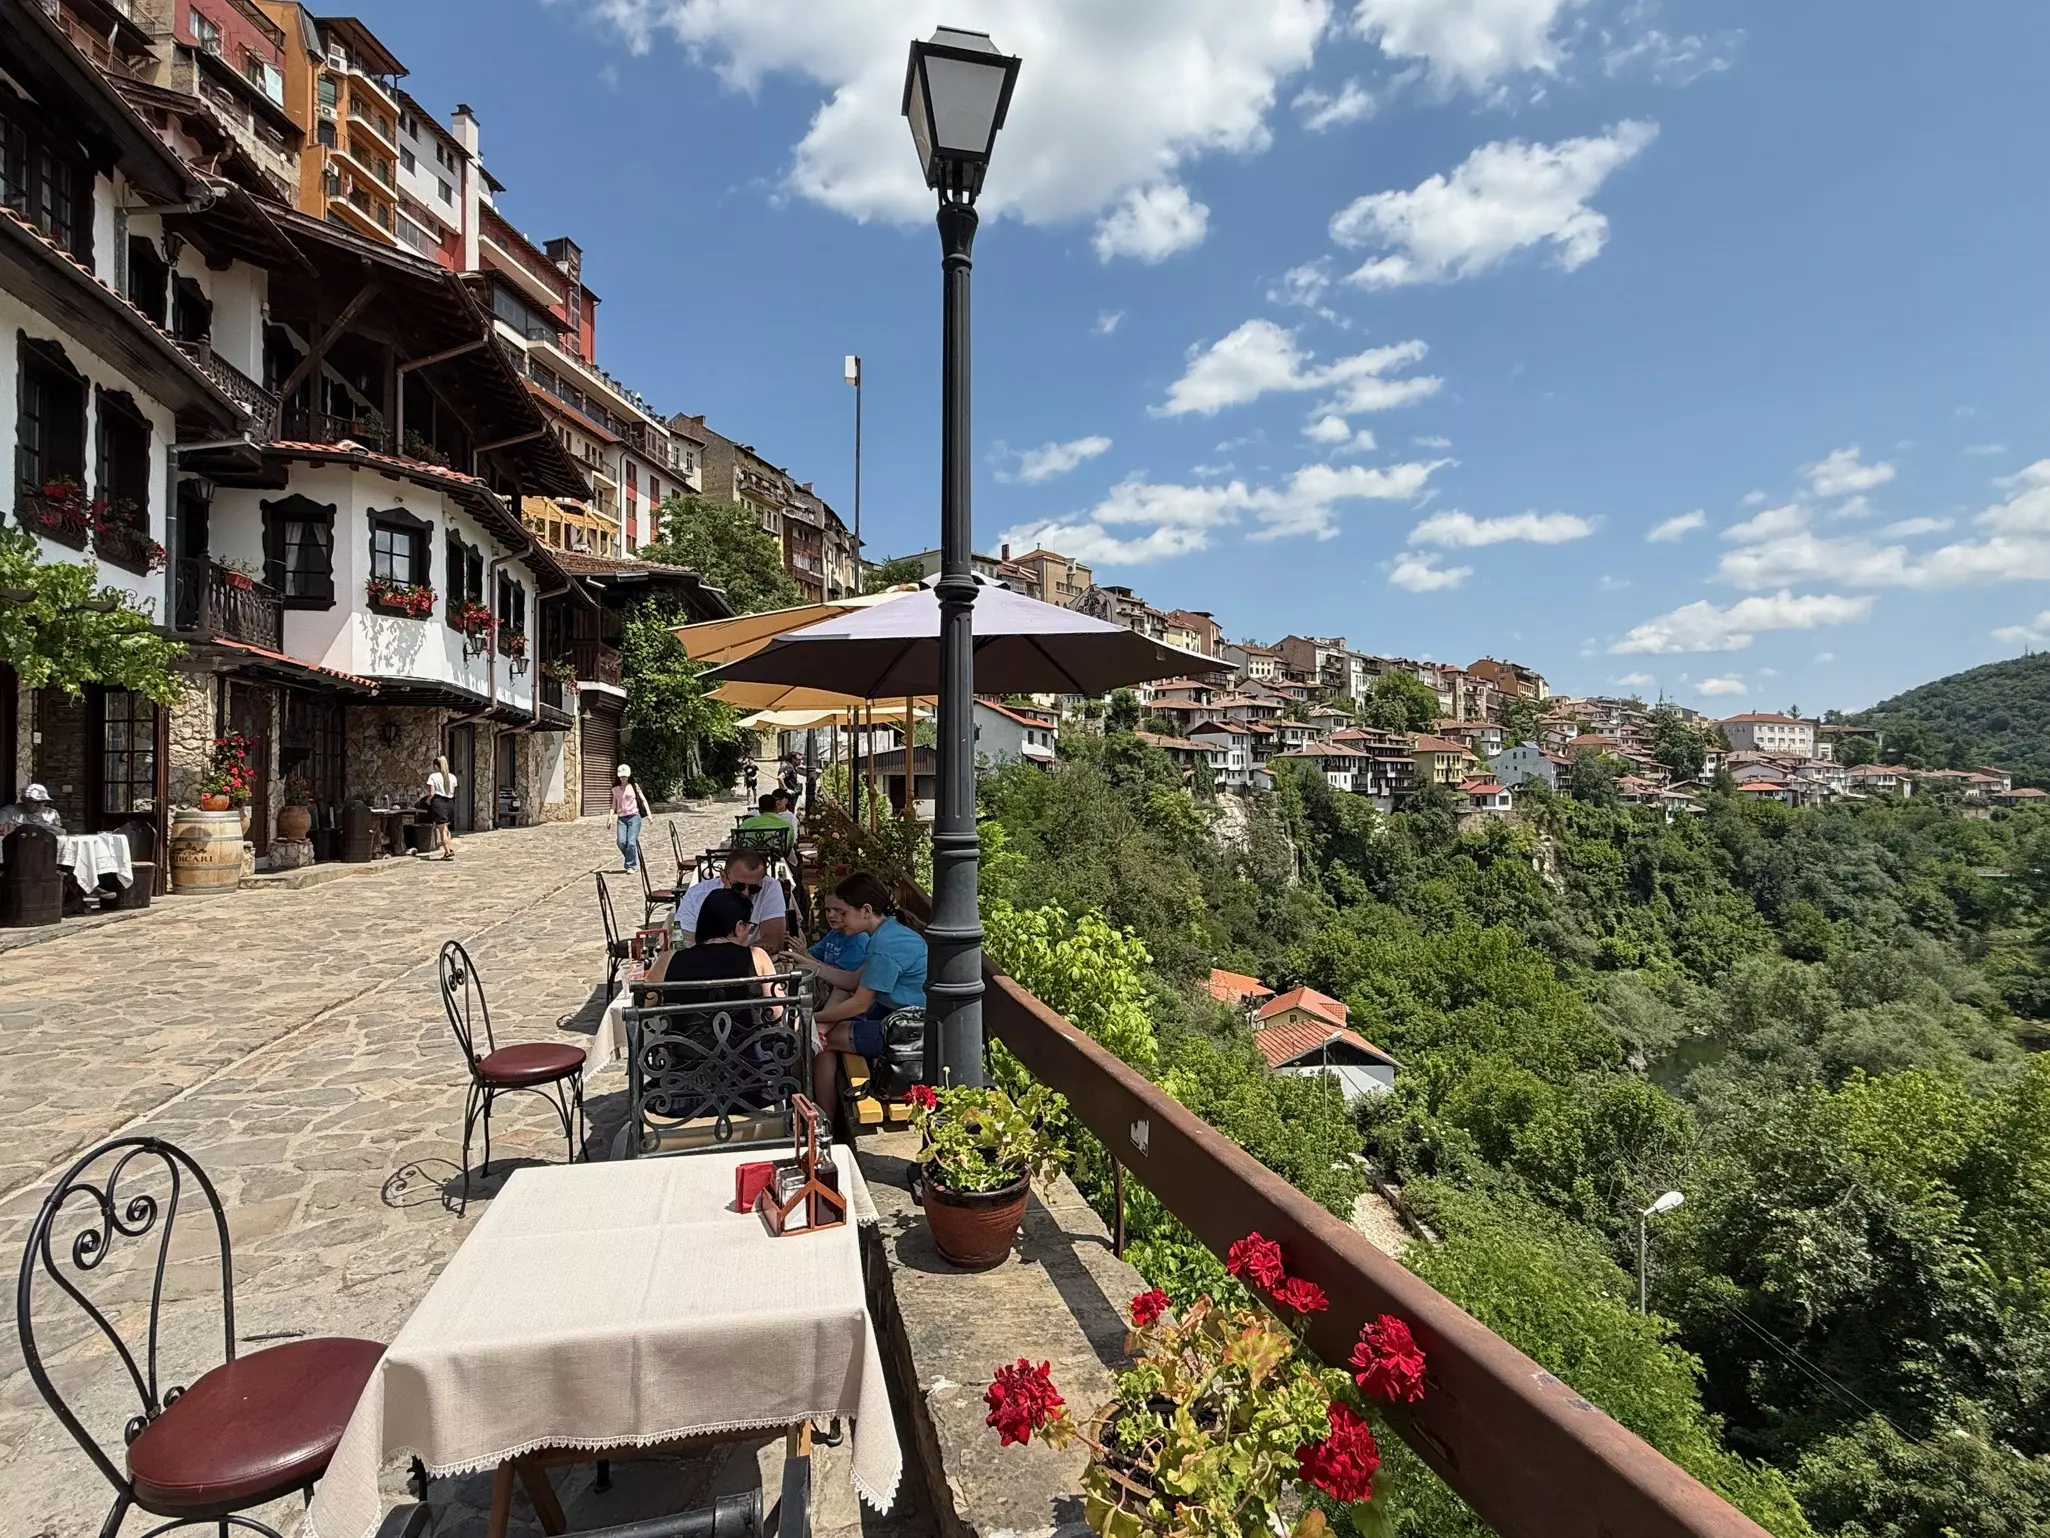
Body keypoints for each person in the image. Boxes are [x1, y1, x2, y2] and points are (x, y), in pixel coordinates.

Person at [809, 873, 927, 1115]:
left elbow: (860, 1004)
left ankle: (825, 1121)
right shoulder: (890, 933)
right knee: (826, 1031)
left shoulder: (885, 945)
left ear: (866, 910)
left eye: (843, 913)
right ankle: (824, 1119)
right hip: (902, 1022)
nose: (839, 919)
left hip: (910, 1035)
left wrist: (813, 1019)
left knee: (823, 1042)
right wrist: (813, 967)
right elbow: (853, 981)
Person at [672, 848, 787, 954]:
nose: (746, 893)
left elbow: (774, 941)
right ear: (723, 876)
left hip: (748, 963)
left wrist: (735, 959)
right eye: (739, 886)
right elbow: (683, 943)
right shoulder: (696, 895)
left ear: (762, 880)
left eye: (754, 888)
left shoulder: (770, 888)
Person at [776, 887, 870, 1012]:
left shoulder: (859, 940)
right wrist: (797, 950)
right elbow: (811, 955)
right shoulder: (834, 934)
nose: (830, 915)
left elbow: (841, 978)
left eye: (838, 910)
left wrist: (804, 955)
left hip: (844, 1002)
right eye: (827, 910)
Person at [610, 764, 650, 872]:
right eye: (621, 776)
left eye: (625, 776)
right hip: (621, 818)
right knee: (621, 842)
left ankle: (631, 865)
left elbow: (643, 800)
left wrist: (649, 814)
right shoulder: (615, 789)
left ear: (628, 776)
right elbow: (613, 804)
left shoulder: (634, 787)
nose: (623, 778)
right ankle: (631, 858)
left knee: (631, 842)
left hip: (634, 816)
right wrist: (610, 818)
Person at [423, 756, 457, 860]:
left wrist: (428, 800)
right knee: (446, 828)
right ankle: (449, 848)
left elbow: (432, 793)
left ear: (436, 766)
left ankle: (447, 853)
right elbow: (452, 791)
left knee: (442, 830)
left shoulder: (433, 776)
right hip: (450, 803)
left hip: (439, 802)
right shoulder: (452, 777)